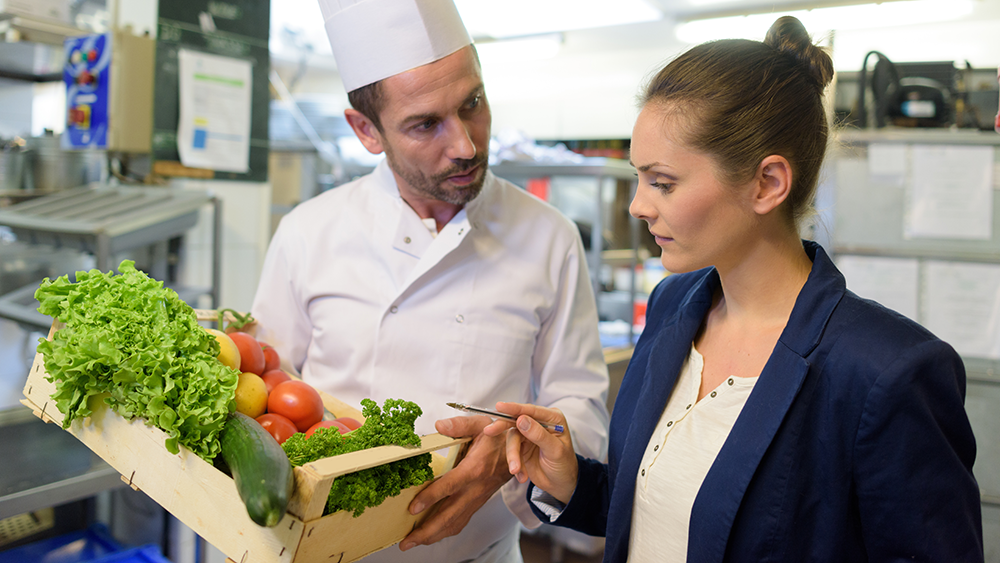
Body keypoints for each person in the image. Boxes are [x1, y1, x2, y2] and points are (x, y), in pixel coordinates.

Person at [484, 15, 984, 563]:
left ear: (767, 183)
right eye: (638, 178)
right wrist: (572, 480)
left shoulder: (885, 372)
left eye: (663, 183)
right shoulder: (674, 308)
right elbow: (660, 514)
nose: (638, 206)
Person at [249, 0, 610, 561]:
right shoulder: (307, 234)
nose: (465, 144)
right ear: (367, 130)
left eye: (474, 103)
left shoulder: (549, 237)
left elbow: (582, 411)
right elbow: (265, 397)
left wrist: (513, 452)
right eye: (425, 124)